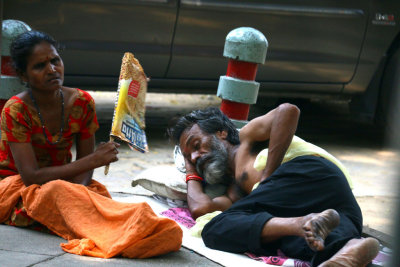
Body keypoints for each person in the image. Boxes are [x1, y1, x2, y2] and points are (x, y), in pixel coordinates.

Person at [0, 30, 182, 258]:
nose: (52, 70)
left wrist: (80, 191)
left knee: (91, 196)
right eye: (39, 66)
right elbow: (31, 177)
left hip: (66, 184)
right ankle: (127, 235)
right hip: (15, 190)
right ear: (23, 75)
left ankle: (142, 226)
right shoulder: (15, 110)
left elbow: (84, 172)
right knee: (60, 193)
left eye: (55, 61)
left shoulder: (82, 102)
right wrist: (92, 162)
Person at [168, 105, 380, 266]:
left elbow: (288, 111)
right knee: (294, 241)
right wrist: (190, 169)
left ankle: (302, 223)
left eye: (196, 146)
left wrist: (268, 176)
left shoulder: (246, 138)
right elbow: (201, 209)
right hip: (335, 207)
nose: (196, 157)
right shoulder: (236, 189)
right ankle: (350, 247)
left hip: (308, 171)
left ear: (221, 132)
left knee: (214, 230)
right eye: (190, 157)